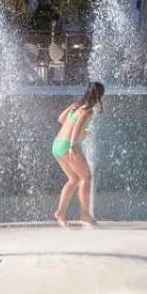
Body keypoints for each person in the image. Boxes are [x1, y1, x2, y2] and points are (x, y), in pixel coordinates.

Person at [52, 81, 104, 228]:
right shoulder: (87, 110)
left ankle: (60, 213)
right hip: (67, 144)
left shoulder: (76, 106)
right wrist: (72, 145)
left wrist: (82, 132)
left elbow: (61, 119)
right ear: (99, 96)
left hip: (57, 144)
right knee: (86, 177)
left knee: (74, 179)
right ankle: (85, 215)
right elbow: (76, 127)